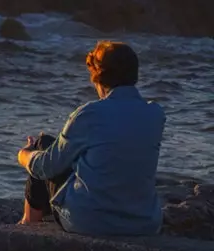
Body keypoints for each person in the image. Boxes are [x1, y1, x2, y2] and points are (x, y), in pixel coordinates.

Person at [17, 40, 165, 235]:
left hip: (90, 222)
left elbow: (47, 166)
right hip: (144, 222)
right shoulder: (155, 114)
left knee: (43, 144)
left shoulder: (89, 114)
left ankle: (28, 225)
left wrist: (25, 155)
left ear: (97, 76)